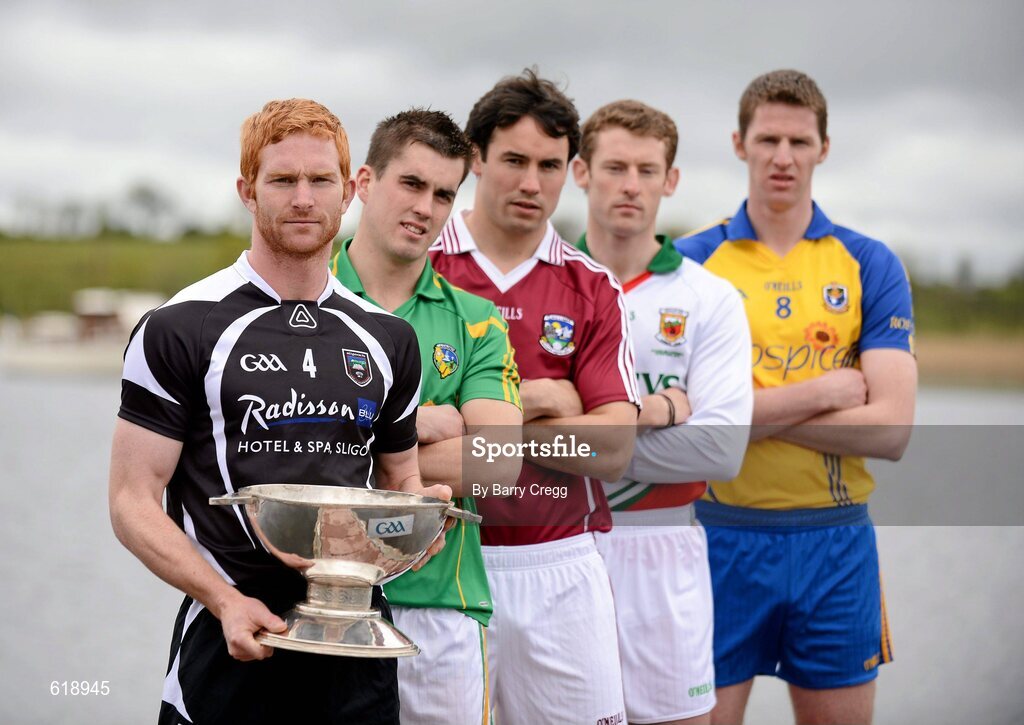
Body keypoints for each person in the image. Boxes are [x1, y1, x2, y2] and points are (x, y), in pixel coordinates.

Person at [108, 98, 451, 725]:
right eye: (282, 180)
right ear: (247, 190)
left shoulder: (388, 338)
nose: (303, 198)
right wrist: (223, 600)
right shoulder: (179, 326)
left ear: (349, 191)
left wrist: (422, 520)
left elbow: (400, 482)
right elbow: (132, 500)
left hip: (357, 646)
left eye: (320, 180)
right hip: (230, 642)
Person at [676, 70, 916, 725]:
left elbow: (891, 429)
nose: (783, 156)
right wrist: (822, 394)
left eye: (799, 141)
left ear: (824, 148)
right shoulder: (690, 262)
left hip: (833, 544)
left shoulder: (869, 263)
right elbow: (680, 431)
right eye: (769, 139)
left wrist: (745, 415)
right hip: (716, 539)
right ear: (739, 143)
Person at [430, 69, 640, 724]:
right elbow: (389, 433)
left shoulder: (592, 286)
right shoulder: (418, 265)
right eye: (514, 160)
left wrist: (480, 422)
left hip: (559, 565)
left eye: (550, 165)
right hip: (435, 558)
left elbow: (612, 449)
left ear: (570, 168)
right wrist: (545, 398)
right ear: (474, 156)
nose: (532, 182)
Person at [330, 108, 523, 724]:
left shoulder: (477, 319)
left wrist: (363, 437)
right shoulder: (299, 301)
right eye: (411, 184)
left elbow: (499, 462)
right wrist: (423, 421)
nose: (426, 207)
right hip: (323, 598)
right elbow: (277, 451)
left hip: (444, 605)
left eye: (444, 194)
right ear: (363, 182)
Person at [574, 100, 752, 725]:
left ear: (671, 181)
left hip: (663, 539)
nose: (631, 185)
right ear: (580, 172)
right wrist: (649, 412)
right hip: (555, 544)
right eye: (615, 166)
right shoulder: (542, 285)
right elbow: (496, 432)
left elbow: (720, 451)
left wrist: (563, 439)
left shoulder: (711, 298)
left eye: (648, 170)